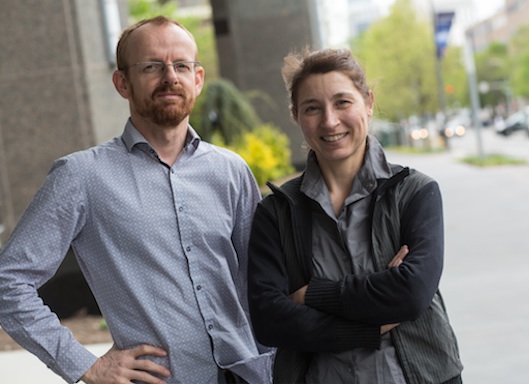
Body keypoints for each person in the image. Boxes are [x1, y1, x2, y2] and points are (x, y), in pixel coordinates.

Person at [0, 16, 273, 384]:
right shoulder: (81, 176)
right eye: (151, 66)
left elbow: (261, 282)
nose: (170, 77)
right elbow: (8, 282)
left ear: (198, 79)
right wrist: (85, 365)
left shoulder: (231, 171)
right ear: (122, 83)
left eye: (181, 65)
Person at [247, 48, 463, 384]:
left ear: (369, 102)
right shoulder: (276, 212)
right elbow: (270, 319)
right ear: (296, 115)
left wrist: (313, 295)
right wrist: (369, 325)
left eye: (342, 102)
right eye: (312, 108)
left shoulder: (415, 193)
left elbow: (411, 294)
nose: (330, 120)